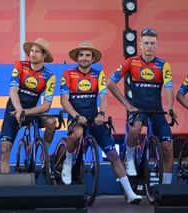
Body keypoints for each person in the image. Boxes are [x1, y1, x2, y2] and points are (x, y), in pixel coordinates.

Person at [60, 41, 142, 204]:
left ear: (92, 59)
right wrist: (76, 116)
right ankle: (68, 162)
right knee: (77, 133)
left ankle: (130, 193)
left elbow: (103, 97)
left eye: (87, 55)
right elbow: (64, 100)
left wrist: (101, 113)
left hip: (94, 119)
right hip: (75, 117)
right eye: (81, 55)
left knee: (113, 155)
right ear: (77, 58)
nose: (84, 58)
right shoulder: (67, 74)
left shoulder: (99, 74)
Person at [107, 28, 175, 185]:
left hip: (157, 111)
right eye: (146, 43)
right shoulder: (131, 62)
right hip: (138, 109)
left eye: (152, 43)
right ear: (140, 45)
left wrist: (170, 106)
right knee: (135, 129)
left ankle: (165, 188)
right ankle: (130, 158)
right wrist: (127, 105)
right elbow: (110, 83)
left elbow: (169, 87)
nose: (149, 46)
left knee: (168, 148)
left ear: (156, 45)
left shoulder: (163, 65)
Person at [0, 38, 57, 173]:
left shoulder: (49, 76)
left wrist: (25, 112)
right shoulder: (20, 65)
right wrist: (19, 110)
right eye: (31, 51)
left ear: (44, 56)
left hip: (31, 113)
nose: (33, 54)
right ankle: (4, 188)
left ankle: (45, 156)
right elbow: (13, 90)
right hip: (13, 112)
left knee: (52, 122)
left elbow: (46, 106)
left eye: (37, 51)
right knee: (4, 151)